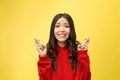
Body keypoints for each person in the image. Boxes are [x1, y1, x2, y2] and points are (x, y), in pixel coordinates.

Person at [34, 13, 91, 80]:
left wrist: (83, 54)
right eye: (57, 26)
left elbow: (86, 78)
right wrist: (43, 57)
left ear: (71, 30)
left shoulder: (78, 52)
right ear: (53, 30)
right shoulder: (47, 53)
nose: (62, 29)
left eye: (66, 26)